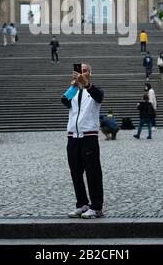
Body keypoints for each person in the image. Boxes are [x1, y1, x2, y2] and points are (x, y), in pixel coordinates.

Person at [61, 62, 104, 219]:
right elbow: (64, 100)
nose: (81, 73)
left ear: (90, 73)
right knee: (76, 173)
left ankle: (97, 207)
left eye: (85, 71)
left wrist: (86, 84)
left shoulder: (95, 91)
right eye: (79, 71)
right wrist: (74, 86)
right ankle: (82, 204)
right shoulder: (73, 92)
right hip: (72, 137)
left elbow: (99, 97)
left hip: (89, 136)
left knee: (93, 173)